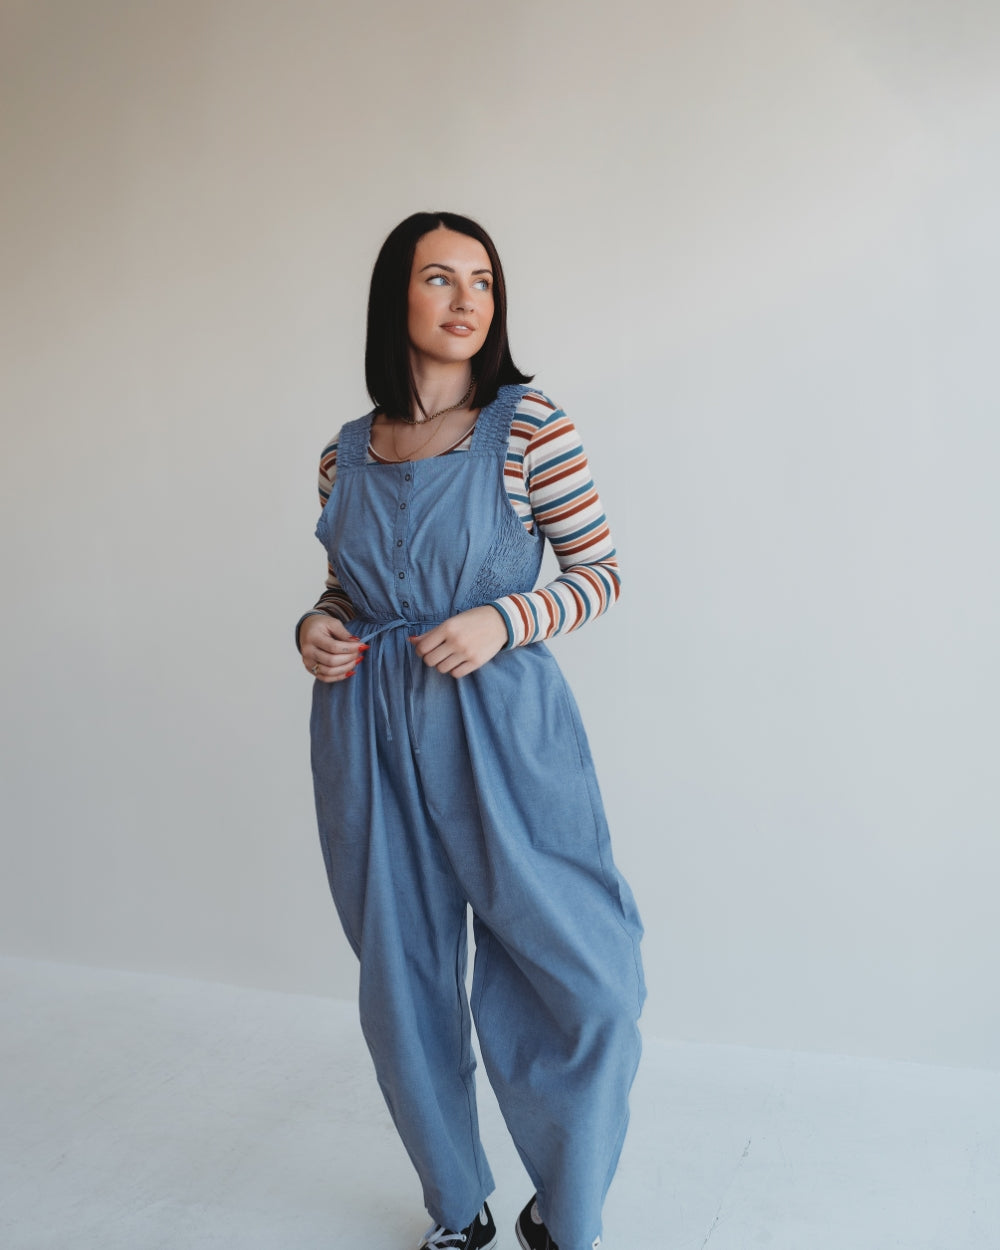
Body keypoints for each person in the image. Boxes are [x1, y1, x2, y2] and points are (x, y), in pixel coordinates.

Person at [296, 211, 645, 1250]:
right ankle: (457, 1205)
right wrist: (314, 627)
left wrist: (505, 616)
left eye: (482, 282)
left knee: (586, 971)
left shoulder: (530, 424)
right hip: (366, 724)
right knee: (399, 975)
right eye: (439, 278)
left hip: (500, 719)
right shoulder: (341, 453)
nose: (465, 301)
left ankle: (566, 1206)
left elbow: (601, 573)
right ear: (393, 298)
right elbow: (341, 589)